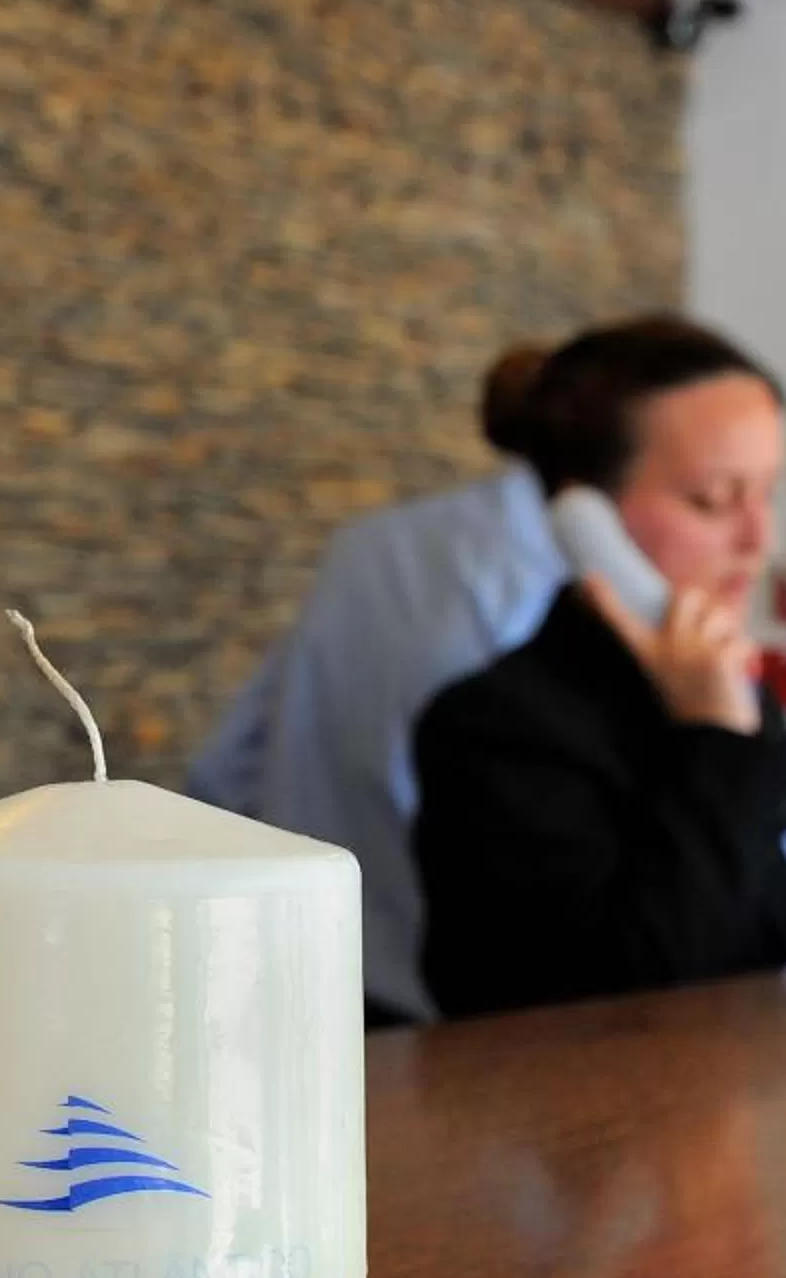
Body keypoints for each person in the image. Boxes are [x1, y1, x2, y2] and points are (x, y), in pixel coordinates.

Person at [413, 316, 786, 1018]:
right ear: (583, 520)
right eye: (713, 499)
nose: (760, 539)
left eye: (767, 492)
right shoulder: (493, 729)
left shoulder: (734, 688)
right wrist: (714, 738)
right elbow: (641, 995)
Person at [188, 347, 571, 1027]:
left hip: (314, 960)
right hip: (459, 993)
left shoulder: (368, 545)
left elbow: (226, 766)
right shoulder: (542, 580)